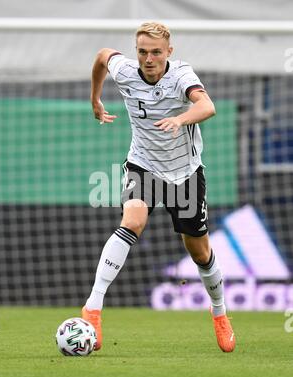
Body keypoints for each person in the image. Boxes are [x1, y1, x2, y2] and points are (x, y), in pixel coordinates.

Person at [82, 21, 236, 353]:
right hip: (144, 166)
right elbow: (101, 57)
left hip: (185, 173)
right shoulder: (125, 71)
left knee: (200, 252)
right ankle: (93, 308)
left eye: (155, 52)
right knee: (132, 222)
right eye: (142, 52)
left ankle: (220, 313)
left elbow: (207, 106)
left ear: (169, 52)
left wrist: (180, 119)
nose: (148, 59)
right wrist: (95, 100)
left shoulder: (181, 76)